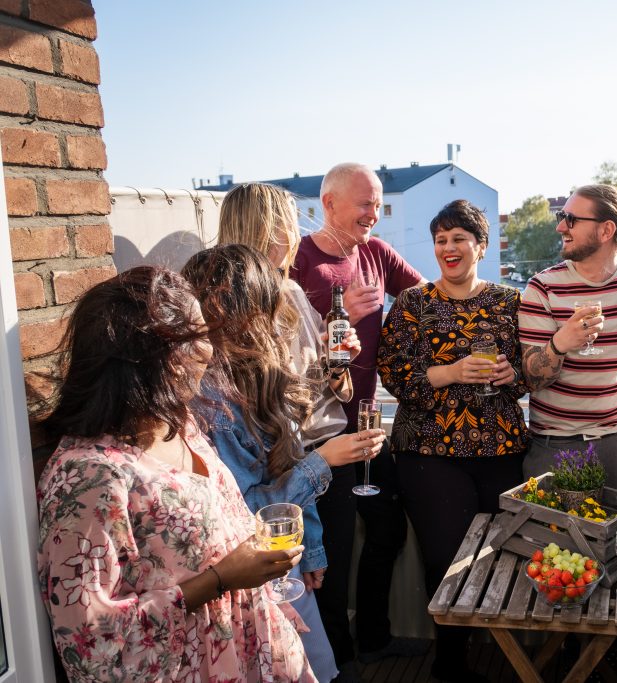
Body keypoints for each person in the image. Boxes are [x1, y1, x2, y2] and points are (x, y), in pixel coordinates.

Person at [36, 266, 315, 682]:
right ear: (143, 355)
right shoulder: (89, 479)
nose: (209, 351)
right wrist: (220, 580)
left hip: (254, 648)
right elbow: (90, 645)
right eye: (195, 337)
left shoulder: (178, 423)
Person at [183, 244, 387, 683]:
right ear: (235, 311)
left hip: (285, 562)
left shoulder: (256, 374)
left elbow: (283, 465)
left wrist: (310, 550)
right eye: (269, 308)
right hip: (251, 573)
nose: (279, 323)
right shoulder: (212, 402)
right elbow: (248, 506)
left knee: (319, 666)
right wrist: (324, 460)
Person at [378, 199, 528, 682]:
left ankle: (510, 655)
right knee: (447, 560)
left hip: (499, 449)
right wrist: (449, 373)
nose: (448, 247)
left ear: (480, 246)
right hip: (429, 453)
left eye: (458, 238)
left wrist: (511, 374)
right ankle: (450, 663)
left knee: (503, 555)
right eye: (441, 240)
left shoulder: (510, 302)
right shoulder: (413, 304)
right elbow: (394, 373)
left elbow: (531, 374)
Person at [289, 162, 428, 669]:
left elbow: (425, 299)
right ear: (329, 204)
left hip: (367, 425)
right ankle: (339, 662)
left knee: (388, 528)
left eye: (378, 202)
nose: (375, 213)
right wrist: (340, 308)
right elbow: (282, 340)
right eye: (365, 203)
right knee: (331, 555)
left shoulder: (374, 253)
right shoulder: (299, 260)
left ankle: (372, 637)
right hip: (317, 438)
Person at [519, 183, 617, 493]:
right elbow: (531, 380)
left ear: (606, 230)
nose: (560, 227)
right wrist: (560, 344)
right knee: (550, 540)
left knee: (614, 538)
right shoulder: (543, 287)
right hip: (554, 445)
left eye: (571, 219)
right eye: (561, 216)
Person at [218, 181, 355, 447]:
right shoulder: (227, 304)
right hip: (285, 454)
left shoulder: (291, 291)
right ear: (265, 232)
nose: (295, 235)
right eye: (289, 224)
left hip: (324, 440)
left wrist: (337, 364)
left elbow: (326, 381)